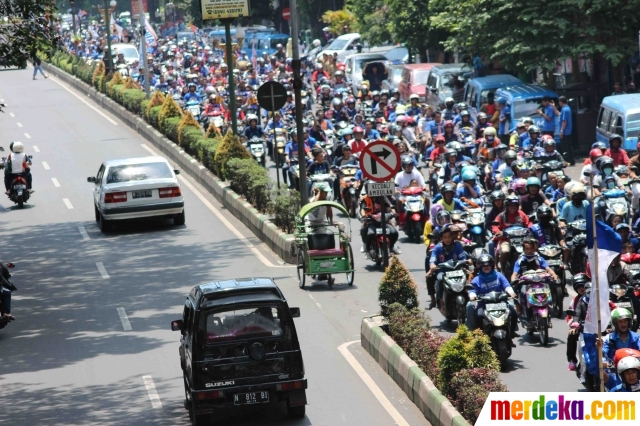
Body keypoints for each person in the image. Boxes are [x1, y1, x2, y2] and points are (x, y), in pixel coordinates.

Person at [465, 254, 518, 346]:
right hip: (484, 305)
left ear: (492, 266)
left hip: (500, 303)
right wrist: (472, 295)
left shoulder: (499, 276)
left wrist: (511, 292)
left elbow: (506, 285)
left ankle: (511, 333)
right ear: (480, 267)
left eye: (488, 266)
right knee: (479, 315)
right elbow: (473, 290)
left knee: (512, 311)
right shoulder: (477, 280)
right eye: (484, 266)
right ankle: (478, 335)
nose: (486, 268)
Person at [427, 224, 471, 309]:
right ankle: (440, 300)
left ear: (452, 237)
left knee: (468, 277)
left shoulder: (457, 245)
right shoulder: (437, 248)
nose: (447, 239)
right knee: (440, 279)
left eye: (449, 237)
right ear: (441, 238)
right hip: (443, 271)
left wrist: (466, 261)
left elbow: (463, 257)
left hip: (457, 270)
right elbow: (433, 259)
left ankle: (469, 297)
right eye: (445, 237)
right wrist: (432, 265)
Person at [492, 195, 530, 272]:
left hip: (522, 239)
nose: (513, 207)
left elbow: (528, 223)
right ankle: (503, 270)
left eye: (515, 205)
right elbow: (495, 226)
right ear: (506, 206)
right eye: (510, 205)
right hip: (506, 239)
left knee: (532, 248)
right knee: (505, 251)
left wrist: (530, 229)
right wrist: (498, 232)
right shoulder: (502, 215)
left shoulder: (521, 214)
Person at [566, 273, 589, 371]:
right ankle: (572, 360)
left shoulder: (597, 297)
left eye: (583, 286)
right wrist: (574, 325)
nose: (581, 288)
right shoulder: (575, 301)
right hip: (582, 325)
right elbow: (571, 316)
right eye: (578, 287)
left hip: (597, 325)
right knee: (571, 336)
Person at [558, 96, 574, 164]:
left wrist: (561, 131)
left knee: (566, 148)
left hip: (565, 132)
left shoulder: (564, 109)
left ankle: (568, 161)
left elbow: (564, 121)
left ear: (561, 102)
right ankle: (571, 160)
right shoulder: (567, 108)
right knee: (569, 147)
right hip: (568, 131)